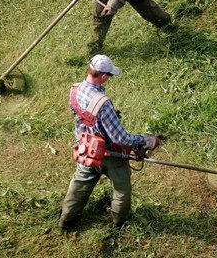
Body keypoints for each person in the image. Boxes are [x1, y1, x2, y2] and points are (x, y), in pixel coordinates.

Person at [59, 54, 161, 229]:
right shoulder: (103, 103)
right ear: (104, 76)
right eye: (109, 76)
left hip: (85, 149)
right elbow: (121, 138)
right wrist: (147, 140)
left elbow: (81, 117)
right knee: (121, 188)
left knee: (80, 184)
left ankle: (66, 219)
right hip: (109, 154)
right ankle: (120, 221)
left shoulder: (75, 89)